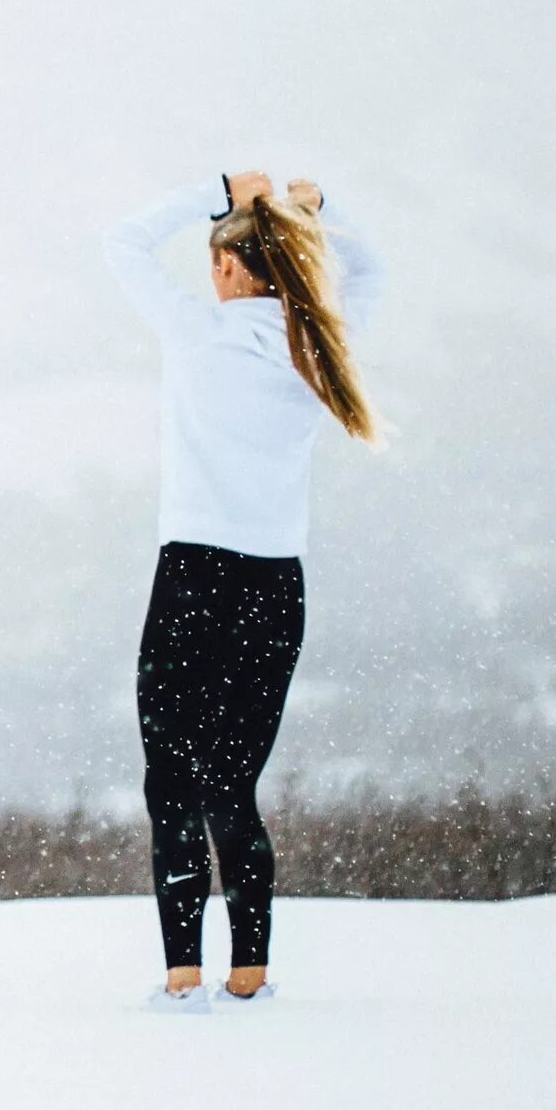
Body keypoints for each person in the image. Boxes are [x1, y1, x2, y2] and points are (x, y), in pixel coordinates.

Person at [102, 169, 383, 1011]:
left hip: (192, 578)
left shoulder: (197, 335)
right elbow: (372, 270)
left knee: (173, 782)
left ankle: (183, 972)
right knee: (233, 784)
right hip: (274, 586)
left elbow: (119, 242)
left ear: (227, 271)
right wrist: (313, 209)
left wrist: (216, 188)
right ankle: (250, 969)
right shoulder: (315, 346)